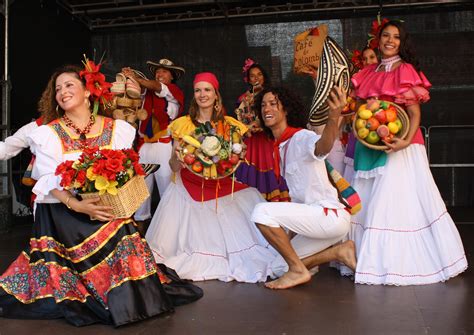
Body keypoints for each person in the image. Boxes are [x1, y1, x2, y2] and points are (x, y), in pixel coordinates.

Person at [0, 65, 202, 327]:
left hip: (104, 207)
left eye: (69, 85)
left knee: (126, 233)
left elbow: (123, 171)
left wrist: (105, 199)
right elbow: (47, 179)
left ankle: (127, 300)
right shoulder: (45, 132)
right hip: (62, 212)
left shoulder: (116, 129)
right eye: (58, 89)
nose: (62, 91)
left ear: (87, 92)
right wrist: (78, 204)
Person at [350, 20, 467, 285]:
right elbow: (361, 110)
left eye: (396, 37)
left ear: (403, 42)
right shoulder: (370, 71)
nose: (390, 41)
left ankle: (396, 265)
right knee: (369, 201)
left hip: (401, 146)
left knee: (394, 202)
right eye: (385, 36)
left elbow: (414, 113)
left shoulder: (406, 70)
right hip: (371, 144)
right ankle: (367, 261)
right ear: (377, 40)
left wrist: (404, 141)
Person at [145, 72, 276, 283]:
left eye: (207, 90)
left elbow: (234, 158)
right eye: (198, 90)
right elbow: (173, 165)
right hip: (189, 184)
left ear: (216, 94)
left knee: (251, 196)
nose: (202, 94)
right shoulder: (183, 124)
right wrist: (178, 159)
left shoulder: (230, 125)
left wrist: (237, 156)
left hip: (220, 184)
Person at [251, 86, 356, 290]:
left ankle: (298, 270)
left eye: (273, 103)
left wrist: (333, 115)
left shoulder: (301, 137)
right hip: (315, 221)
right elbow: (298, 204)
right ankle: (339, 252)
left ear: (286, 109)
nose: (266, 109)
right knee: (279, 267)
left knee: (260, 211)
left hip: (328, 216)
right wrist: (290, 243)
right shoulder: (282, 146)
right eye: (263, 105)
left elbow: (323, 147)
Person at [122, 58, 185, 225]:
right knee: (141, 190)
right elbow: (137, 91)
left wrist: (137, 79)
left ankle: (170, 226)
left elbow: (156, 87)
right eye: (158, 71)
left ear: (172, 77)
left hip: (164, 147)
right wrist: (129, 76)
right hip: (144, 147)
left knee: (167, 188)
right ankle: (140, 226)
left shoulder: (173, 91)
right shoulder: (145, 92)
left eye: (164, 71)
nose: (160, 73)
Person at [235, 59, 290, 202]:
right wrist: (247, 126)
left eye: (259, 74)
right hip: (251, 140)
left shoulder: (272, 96)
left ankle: (273, 204)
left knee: (271, 165)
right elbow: (240, 120)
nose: (256, 78)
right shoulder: (243, 99)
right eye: (252, 75)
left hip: (268, 138)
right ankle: (252, 202)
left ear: (264, 76)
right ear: (248, 79)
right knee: (251, 169)